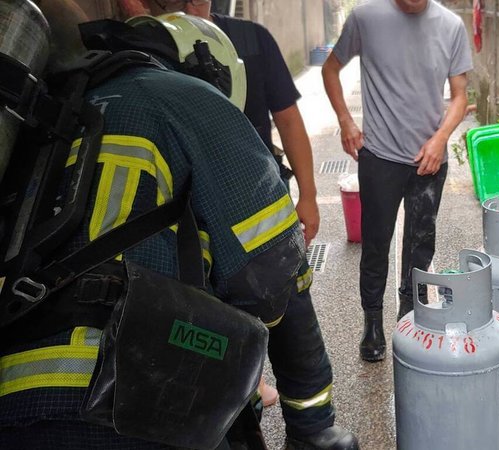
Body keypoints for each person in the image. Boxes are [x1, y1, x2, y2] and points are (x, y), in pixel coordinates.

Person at [0, 2, 357, 449]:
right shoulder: (192, 99)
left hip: (13, 398)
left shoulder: (57, 115)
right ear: (216, 73)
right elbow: (275, 277)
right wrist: (314, 427)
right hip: (128, 400)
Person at [322, 0, 472, 362]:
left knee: (421, 244)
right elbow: (330, 70)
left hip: (430, 158)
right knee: (375, 244)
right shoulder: (364, 18)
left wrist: (440, 139)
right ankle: (372, 321)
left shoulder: (451, 26)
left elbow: (460, 95)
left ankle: (410, 317)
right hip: (380, 157)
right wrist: (345, 121)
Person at [119, 0, 320, 247]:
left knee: (280, 276)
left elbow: (288, 120)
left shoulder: (253, 38)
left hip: (260, 197)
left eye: (198, 1)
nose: (192, 8)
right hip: (183, 213)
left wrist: (308, 196)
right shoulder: (141, 47)